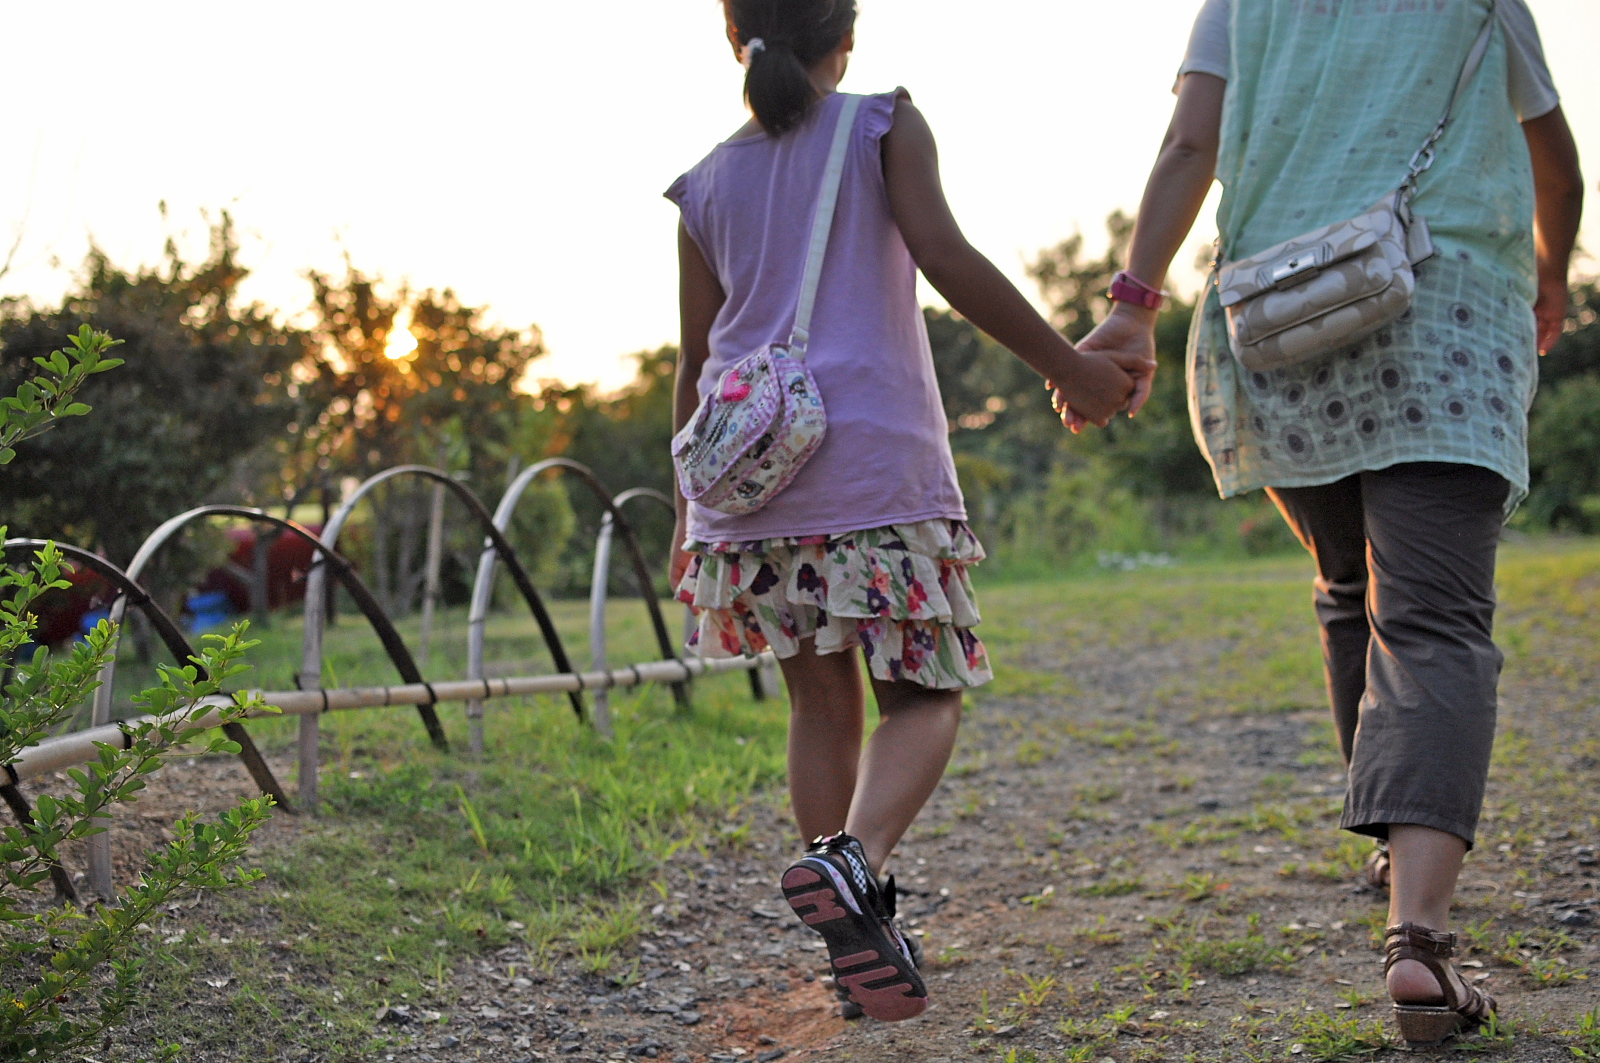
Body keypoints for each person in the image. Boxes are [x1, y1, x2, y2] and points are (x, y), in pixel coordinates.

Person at [1064, 0, 1583, 1046]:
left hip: (1284, 317)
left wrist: (1133, 303)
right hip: (1443, 304)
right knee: (1432, 619)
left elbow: (1190, 144)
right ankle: (1417, 939)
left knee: (1352, 591)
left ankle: (1397, 848)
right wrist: (1548, 271)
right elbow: (1557, 164)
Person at [666, 0, 1153, 1024]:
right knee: (924, 696)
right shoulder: (880, 122)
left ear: (733, 38)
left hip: (749, 491)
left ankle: (857, 945)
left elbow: (695, 361)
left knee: (818, 708)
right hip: (871, 473)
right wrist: (1069, 368)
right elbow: (949, 259)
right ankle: (856, 859)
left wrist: (685, 511)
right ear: (847, 34)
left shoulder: (704, 182)